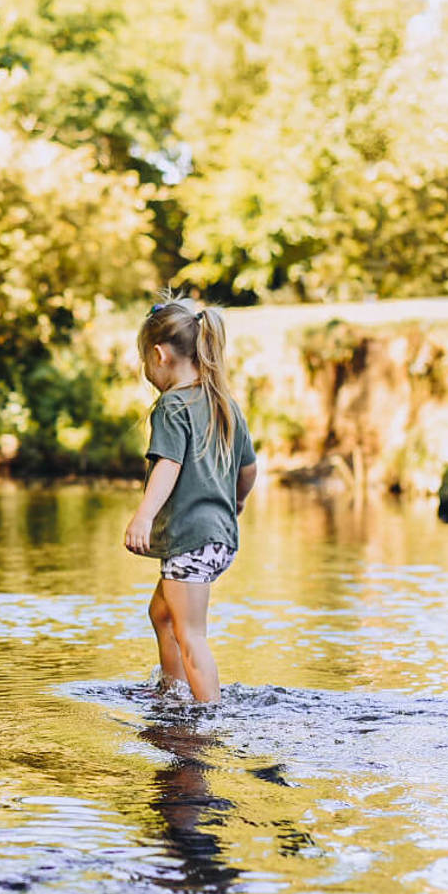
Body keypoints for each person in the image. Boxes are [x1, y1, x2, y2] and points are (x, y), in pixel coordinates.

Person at [122, 297, 257, 703]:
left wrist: (143, 516)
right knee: (162, 614)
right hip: (219, 539)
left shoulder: (173, 405)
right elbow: (248, 470)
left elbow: (168, 463)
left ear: (160, 355)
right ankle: (172, 690)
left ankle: (208, 714)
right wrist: (237, 503)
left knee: (191, 634)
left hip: (191, 541)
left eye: (146, 361)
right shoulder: (224, 403)